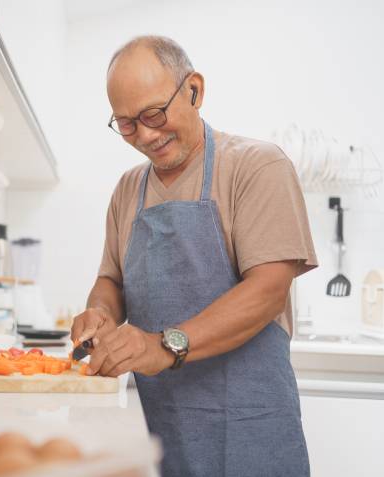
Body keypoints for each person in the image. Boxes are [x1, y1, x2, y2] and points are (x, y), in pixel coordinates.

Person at [70, 35, 317, 477]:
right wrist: (99, 313)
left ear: (194, 90)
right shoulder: (128, 189)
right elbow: (111, 280)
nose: (146, 135)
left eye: (154, 113)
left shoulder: (257, 167)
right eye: (127, 124)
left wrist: (164, 345)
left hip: (250, 432)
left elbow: (268, 291)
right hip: (160, 430)